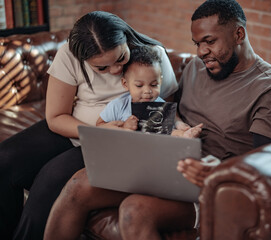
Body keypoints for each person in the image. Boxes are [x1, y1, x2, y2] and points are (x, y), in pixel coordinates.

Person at [44, 0, 271, 239]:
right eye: (197, 43)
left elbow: (269, 168)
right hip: (163, 165)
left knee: (135, 211)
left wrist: (219, 172)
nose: (201, 52)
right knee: (78, 185)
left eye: (209, 42)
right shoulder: (198, 68)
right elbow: (166, 110)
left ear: (239, 35)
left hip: (213, 185)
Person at [0, 11, 179, 240]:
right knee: (4, 159)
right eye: (101, 68)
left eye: (120, 59)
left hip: (118, 141)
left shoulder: (153, 55)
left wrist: (122, 135)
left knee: (49, 182)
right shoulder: (69, 54)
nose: (114, 71)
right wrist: (97, 130)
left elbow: (163, 110)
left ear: (125, 38)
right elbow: (56, 117)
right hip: (75, 127)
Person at [96, 44, 202, 137]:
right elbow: (99, 125)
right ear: (125, 84)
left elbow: (168, 131)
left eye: (154, 84)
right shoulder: (118, 105)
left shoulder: (160, 105)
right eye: (139, 85)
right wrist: (123, 127)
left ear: (160, 81)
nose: (147, 91)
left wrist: (183, 130)